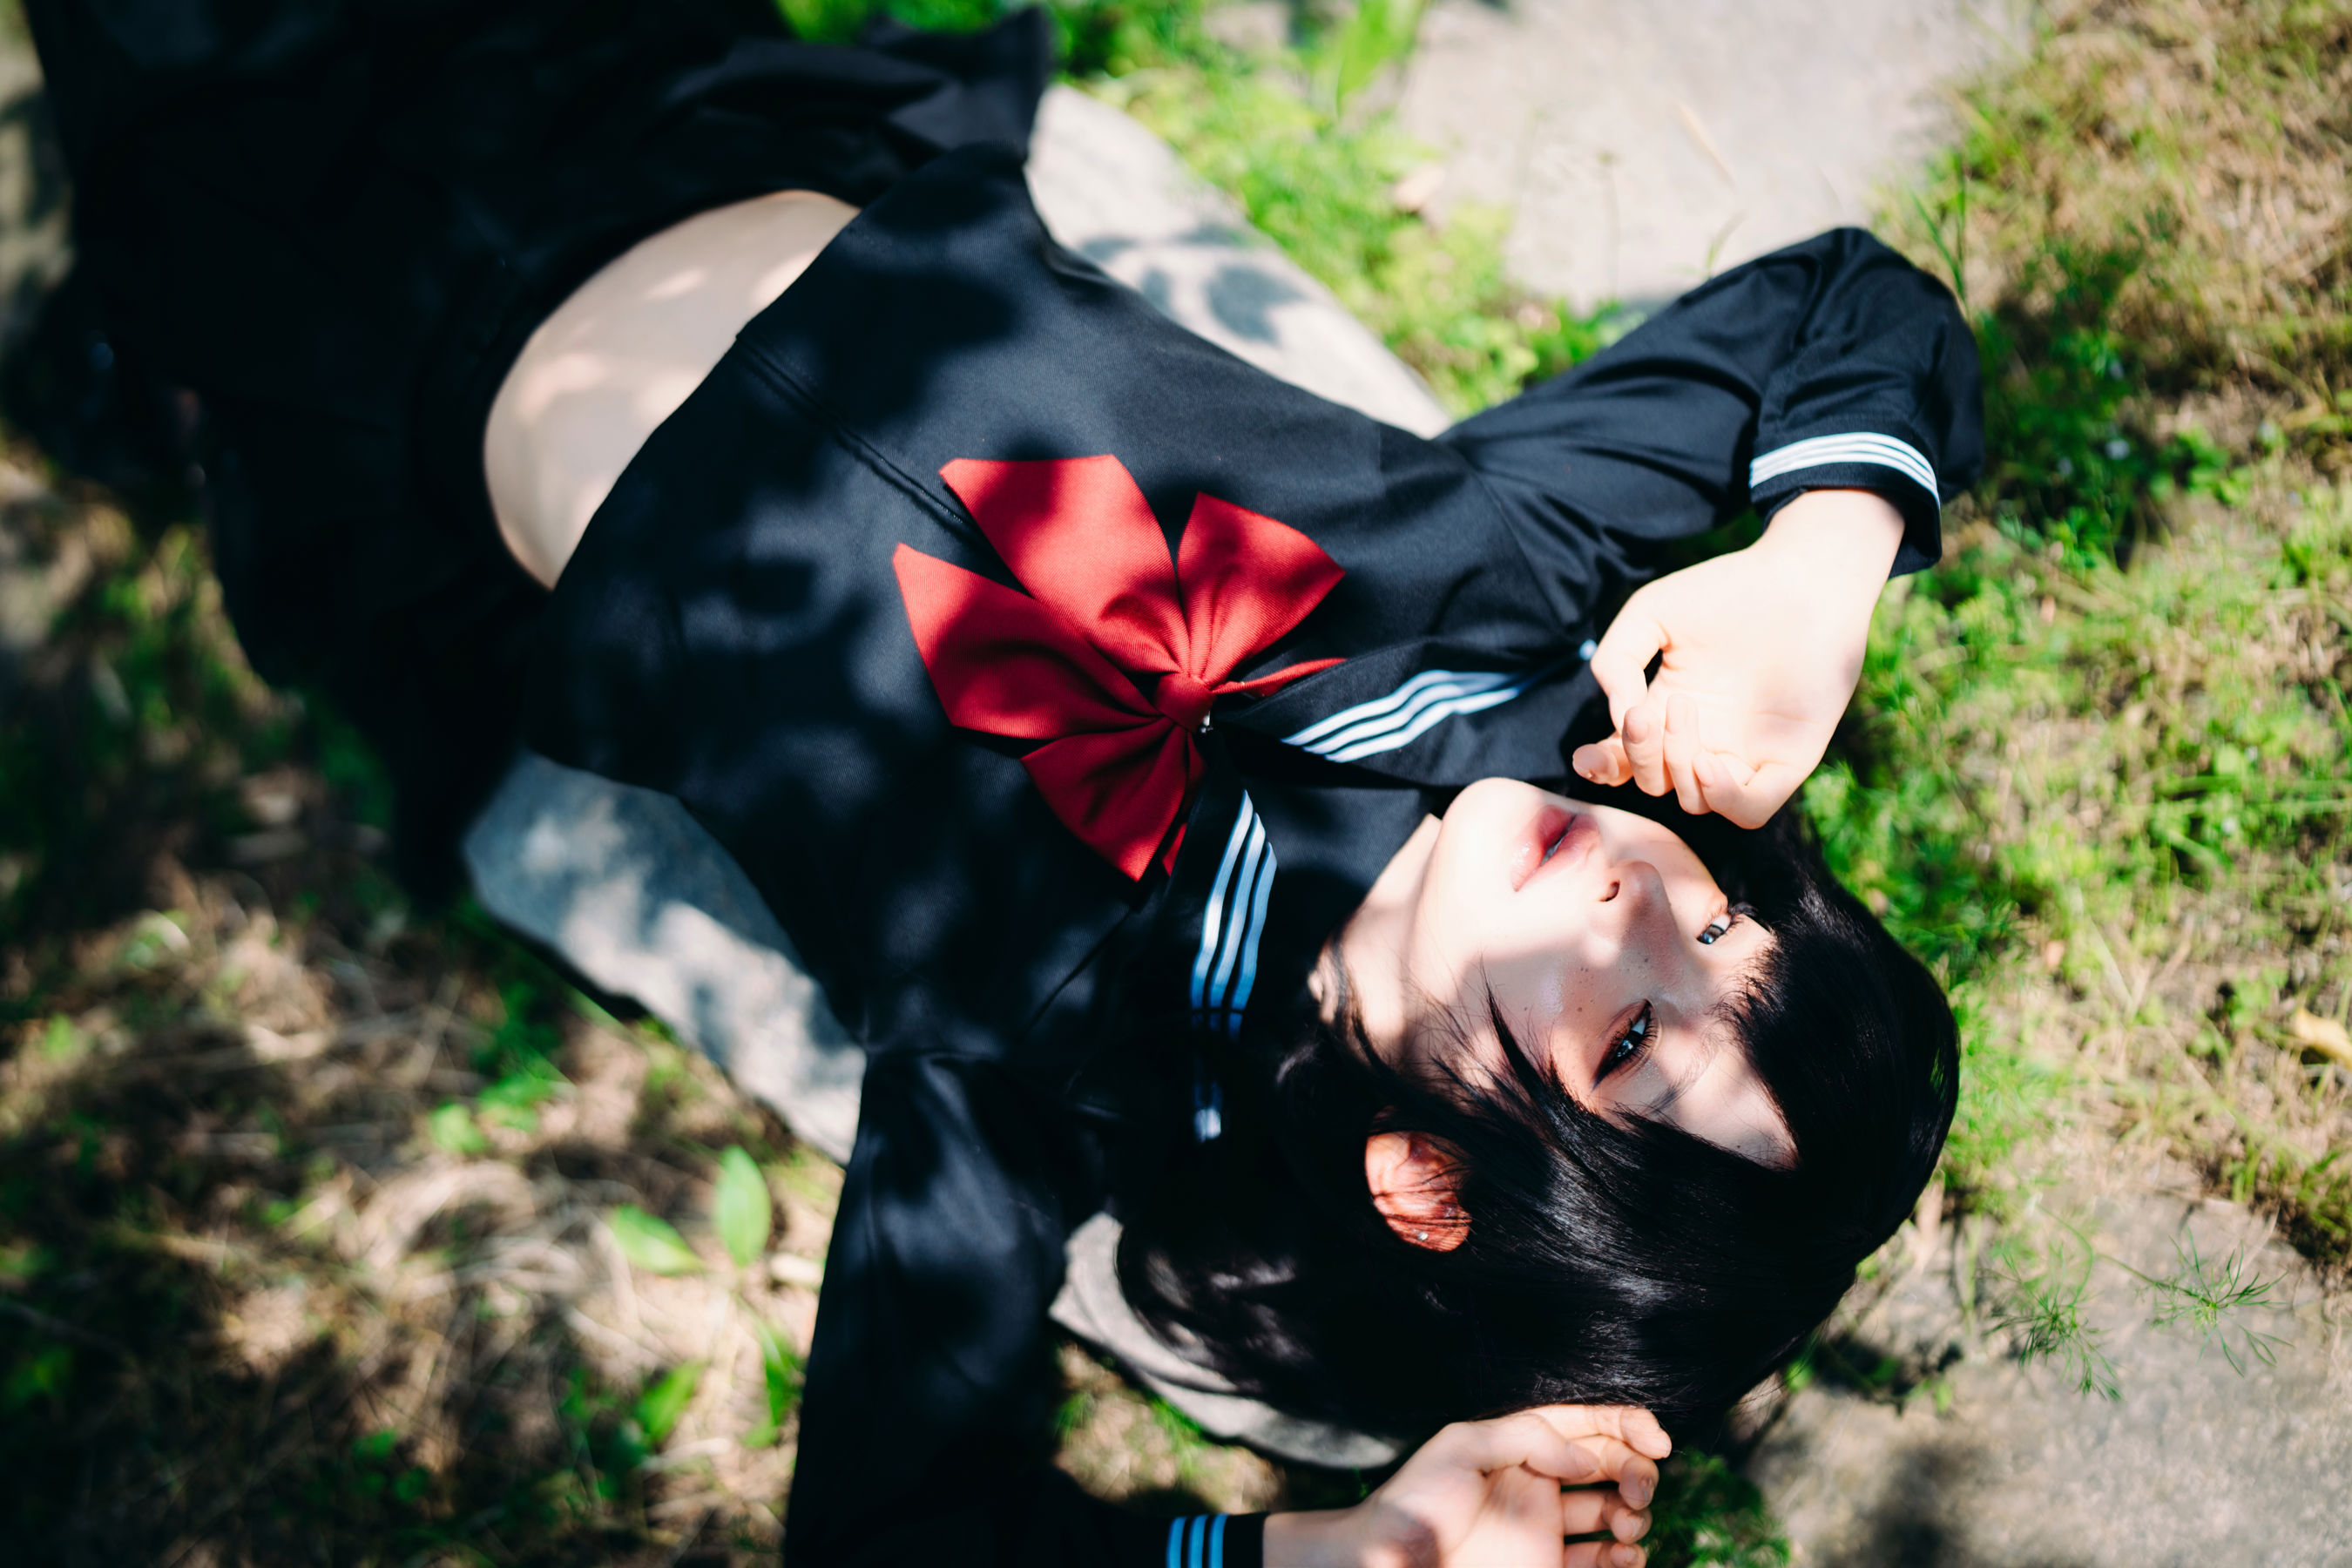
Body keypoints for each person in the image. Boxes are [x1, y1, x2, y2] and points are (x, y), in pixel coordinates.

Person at [23, 2, 1981, 1565]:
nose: (1652, 898)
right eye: (1730, 923)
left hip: (366, 318)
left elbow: (897, 1535)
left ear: (1428, 1181)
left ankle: (124, 371)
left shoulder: (1035, 1056)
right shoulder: (1516, 608)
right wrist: (1820, 564)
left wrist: (1324, 1551)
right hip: (660, 90)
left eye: (1632, 1039)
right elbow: (1842, 304)